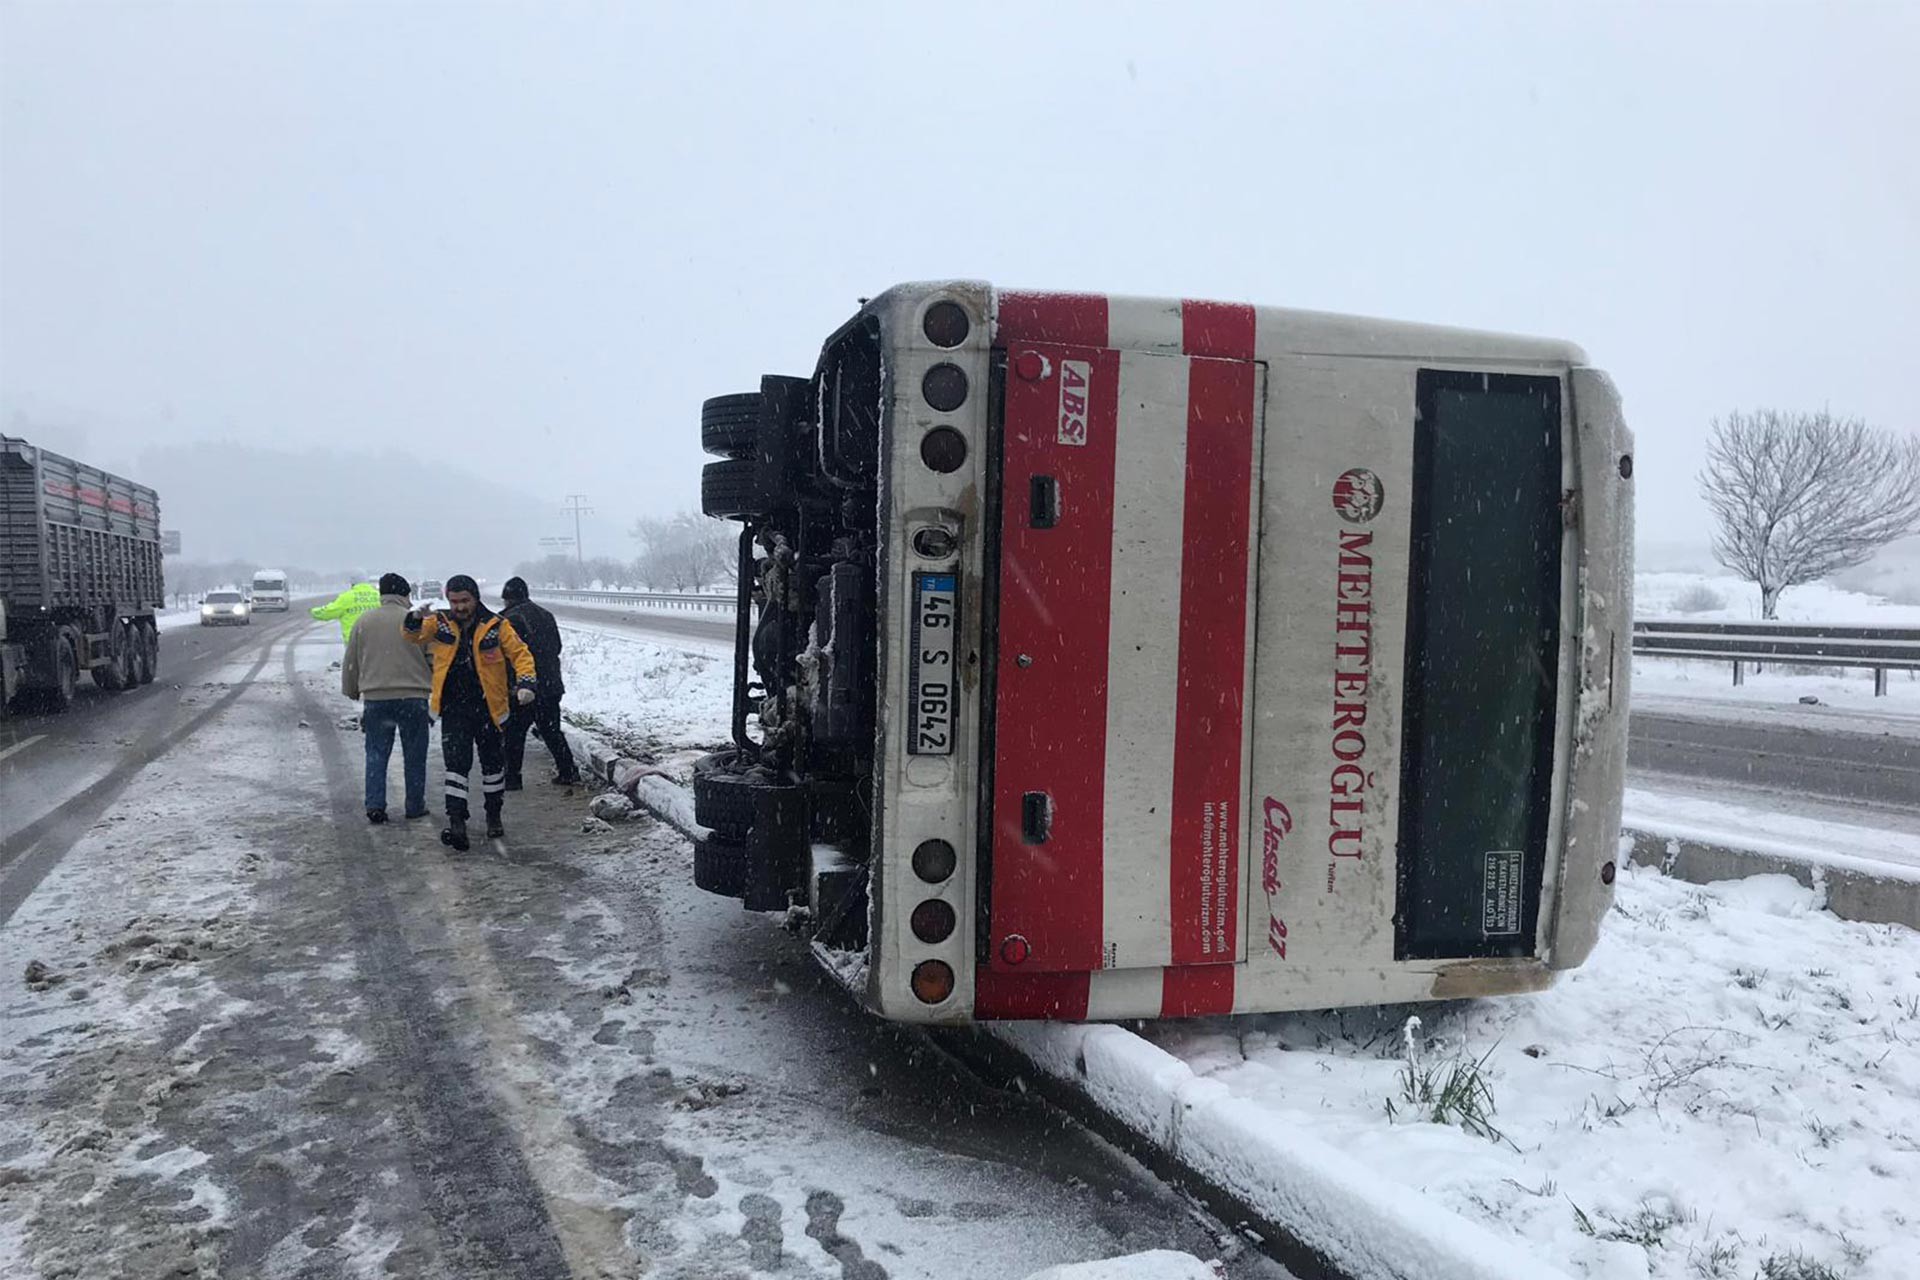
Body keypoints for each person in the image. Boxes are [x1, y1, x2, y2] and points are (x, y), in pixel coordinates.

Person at [405, 574, 537, 850]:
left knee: (492, 768)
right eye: (454, 601)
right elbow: (412, 636)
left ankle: (493, 815)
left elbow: (521, 654)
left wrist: (526, 684)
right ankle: (456, 820)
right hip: (454, 709)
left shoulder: (496, 626)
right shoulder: (439, 623)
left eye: (464, 601)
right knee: (456, 767)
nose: (459, 607)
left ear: (475, 598)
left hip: (489, 709)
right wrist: (414, 617)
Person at [341, 573, 433, 824]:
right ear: (405, 595)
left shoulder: (364, 621)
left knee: (376, 754)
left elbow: (352, 661)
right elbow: (432, 658)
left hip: (377, 698)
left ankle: (375, 805)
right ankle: (414, 805)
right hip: (413, 697)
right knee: (415, 755)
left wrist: (352, 690)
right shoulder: (415, 621)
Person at [498, 576, 581, 788]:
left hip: (524, 686)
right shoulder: (546, 615)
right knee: (551, 730)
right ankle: (568, 771)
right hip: (551, 684)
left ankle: (512, 778)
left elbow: (510, 656)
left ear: (507, 598)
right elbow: (557, 647)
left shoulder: (507, 619)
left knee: (514, 734)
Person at [311, 581, 381, 642]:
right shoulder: (378, 595)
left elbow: (329, 612)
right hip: (375, 640)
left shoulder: (346, 597)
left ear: (352, 583)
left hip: (353, 641)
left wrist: (314, 612)